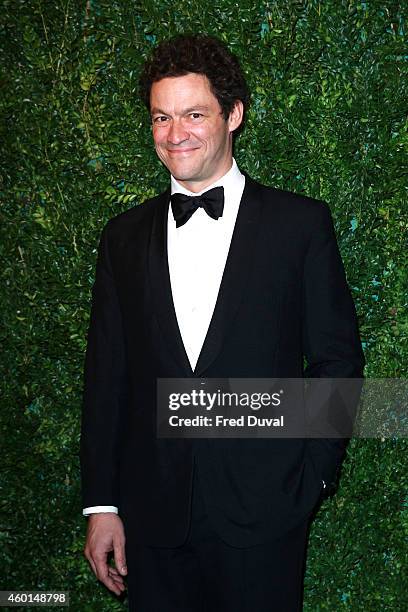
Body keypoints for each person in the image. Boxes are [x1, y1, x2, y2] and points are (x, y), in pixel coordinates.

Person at [80, 34, 365, 611]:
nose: (174, 133)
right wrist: (101, 504)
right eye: (162, 117)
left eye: (193, 114)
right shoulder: (123, 238)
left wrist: (311, 478)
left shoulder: (300, 225)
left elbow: (337, 359)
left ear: (233, 115)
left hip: (265, 514)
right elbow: (106, 376)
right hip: (151, 519)